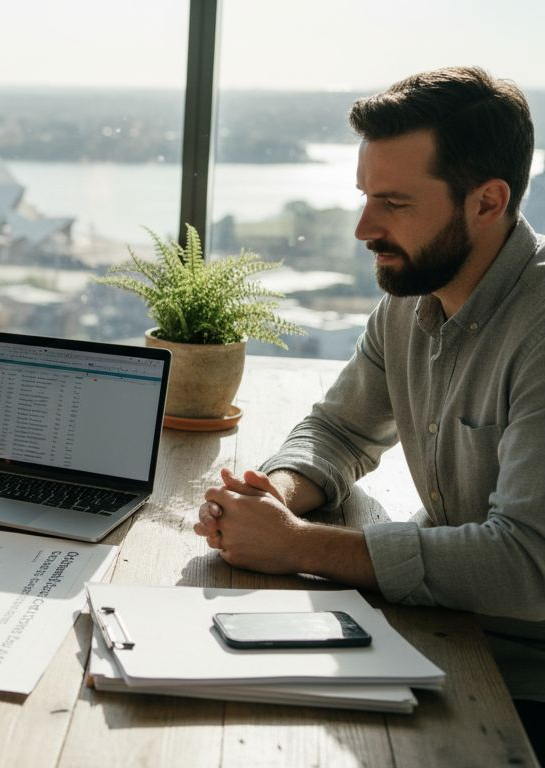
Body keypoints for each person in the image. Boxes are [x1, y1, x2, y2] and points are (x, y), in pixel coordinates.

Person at [193, 66, 544, 752]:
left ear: (486, 202)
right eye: (362, 197)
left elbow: (526, 566)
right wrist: (279, 494)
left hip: (525, 680)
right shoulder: (411, 299)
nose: (364, 228)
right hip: (443, 630)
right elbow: (339, 428)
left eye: (394, 203)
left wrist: (298, 545)